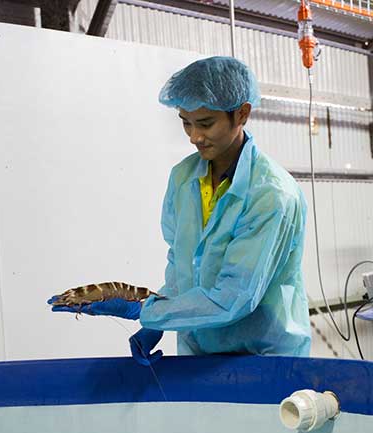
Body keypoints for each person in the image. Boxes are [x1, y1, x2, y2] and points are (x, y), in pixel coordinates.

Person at [49, 56, 311, 365]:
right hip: (197, 356)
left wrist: (146, 309)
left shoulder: (271, 194)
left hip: (264, 358)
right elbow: (181, 266)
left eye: (205, 123)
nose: (194, 137)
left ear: (242, 114)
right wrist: (157, 318)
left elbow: (234, 297)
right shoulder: (184, 178)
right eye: (185, 122)